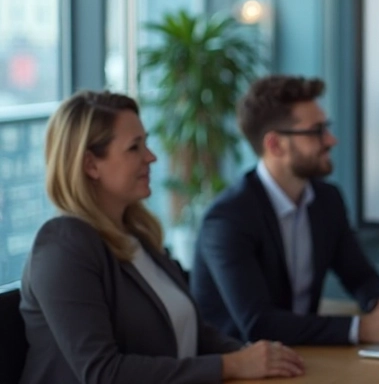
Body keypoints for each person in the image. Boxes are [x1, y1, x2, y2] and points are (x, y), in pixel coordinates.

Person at [19, 91, 304, 384]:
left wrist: (255, 357)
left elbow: (195, 332)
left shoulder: (138, 236)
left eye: (146, 143)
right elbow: (104, 373)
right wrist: (230, 365)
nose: (151, 157)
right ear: (91, 165)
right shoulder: (63, 245)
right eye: (134, 147)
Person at [191, 75, 379, 346]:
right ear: (275, 145)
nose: (331, 140)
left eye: (327, 128)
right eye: (317, 131)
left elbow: (359, 276)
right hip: (242, 366)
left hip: (302, 354)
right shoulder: (228, 219)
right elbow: (259, 324)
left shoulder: (327, 200)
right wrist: (362, 329)